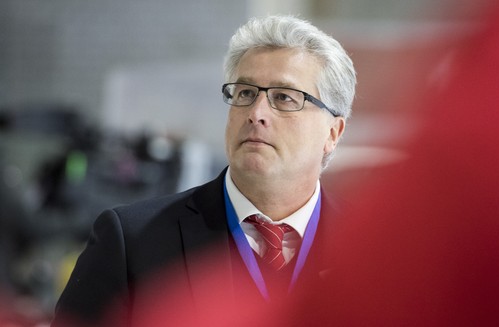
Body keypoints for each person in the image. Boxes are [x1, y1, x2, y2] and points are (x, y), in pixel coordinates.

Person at [51, 15, 356, 327]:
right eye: (246, 93)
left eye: (284, 97)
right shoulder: (131, 242)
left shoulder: (373, 250)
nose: (256, 113)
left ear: (333, 132)